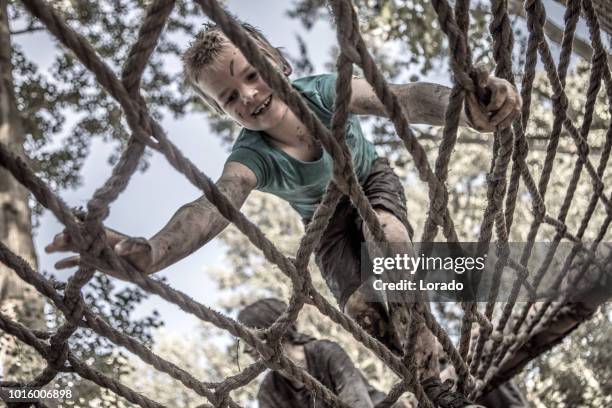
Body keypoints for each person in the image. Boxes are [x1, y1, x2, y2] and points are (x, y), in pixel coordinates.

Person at [46, 21, 521, 407]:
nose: (249, 96)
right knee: (363, 313)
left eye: (253, 74)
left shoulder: (323, 91)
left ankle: (435, 376)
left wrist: (463, 110)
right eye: (230, 97)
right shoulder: (251, 154)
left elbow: (397, 97)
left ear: (281, 63)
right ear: (222, 112)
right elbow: (215, 204)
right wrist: (153, 251)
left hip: (370, 181)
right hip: (326, 223)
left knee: (390, 240)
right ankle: (426, 383)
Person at [238, 298, 415, 408]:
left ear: (273, 330)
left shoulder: (324, 353)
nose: (245, 349)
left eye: (249, 339)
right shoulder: (269, 390)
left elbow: (358, 403)